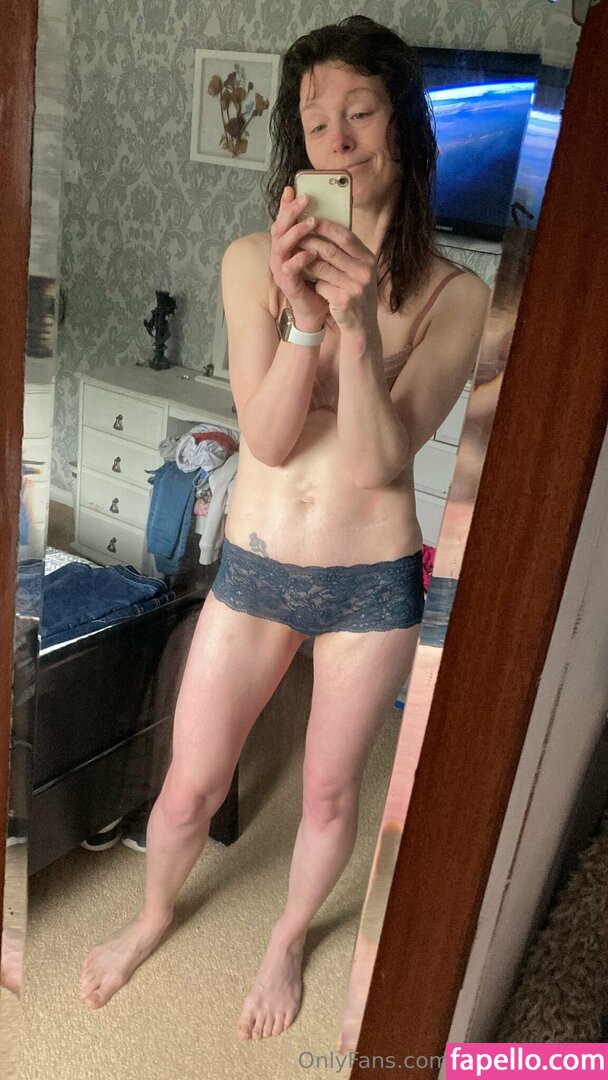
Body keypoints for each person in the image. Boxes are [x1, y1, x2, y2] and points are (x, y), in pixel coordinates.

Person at [79, 16, 490, 1038]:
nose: (337, 139)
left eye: (360, 112)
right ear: (296, 145)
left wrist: (357, 327)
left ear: (403, 130)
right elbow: (264, 437)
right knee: (186, 789)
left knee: (327, 795)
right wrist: (305, 317)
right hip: (256, 573)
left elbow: (379, 461)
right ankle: (152, 916)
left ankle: (284, 940)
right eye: (315, 121)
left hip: (370, 588)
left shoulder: (453, 295)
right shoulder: (251, 260)